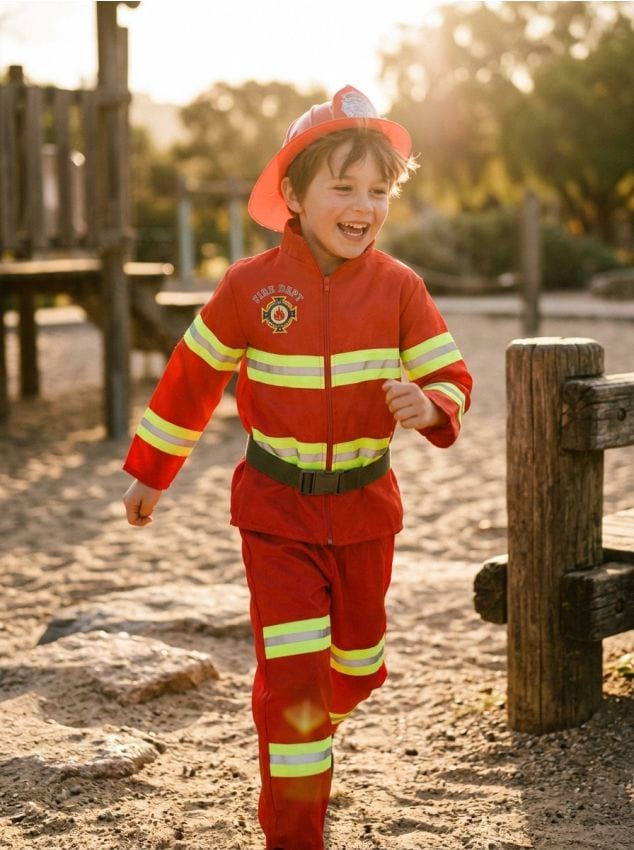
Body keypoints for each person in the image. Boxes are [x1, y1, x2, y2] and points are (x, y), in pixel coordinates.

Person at [123, 85, 472, 850]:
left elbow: (453, 375)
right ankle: (293, 828)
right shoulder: (249, 287)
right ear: (293, 195)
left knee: (360, 666)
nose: (363, 206)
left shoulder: (401, 288)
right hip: (276, 514)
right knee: (293, 688)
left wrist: (431, 404)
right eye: (343, 187)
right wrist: (152, 470)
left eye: (378, 191)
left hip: (366, 513)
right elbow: (192, 377)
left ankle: (310, 717)